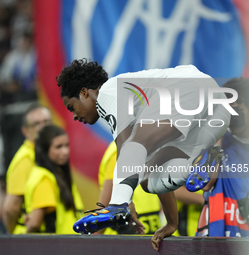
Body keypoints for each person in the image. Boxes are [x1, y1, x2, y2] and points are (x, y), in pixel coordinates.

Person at [56, 59, 231, 249]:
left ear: (84, 92)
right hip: (217, 107)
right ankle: (197, 163)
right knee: (148, 179)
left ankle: (117, 205)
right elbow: (138, 158)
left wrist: (122, 201)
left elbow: (125, 147)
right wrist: (172, 222)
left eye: (72, 107)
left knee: (135, 146)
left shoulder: (108, 92)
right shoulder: (140, 110)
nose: (74, 116)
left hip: (187, 88)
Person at [197, 78, 249, 237]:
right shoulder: (216, 142)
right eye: (228, 111)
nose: (232, 117)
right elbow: (205, 184)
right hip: (216, 236)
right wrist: (218, 134)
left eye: (237, 110)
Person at [3, 103, 52, 234]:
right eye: (36, 124)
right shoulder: (25, 159)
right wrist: (16, 238)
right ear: (25, 131)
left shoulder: (47, 155)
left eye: (46, 122)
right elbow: (11, 208)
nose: (43, 127)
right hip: (29, 237)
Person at [24, 125, 83, 233]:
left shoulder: (59, 173)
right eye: (58, 147)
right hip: (56, 246)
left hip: (66, 244)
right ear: (45, 150)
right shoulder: (44, 178)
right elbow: (35, 223)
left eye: (66, 145)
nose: (65, 151)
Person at [98, 141, 162, 235]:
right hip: (122, 237)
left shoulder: (149, 147)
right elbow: (106, 204)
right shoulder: (118, 152)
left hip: (148, 231)